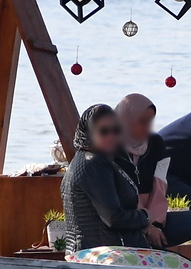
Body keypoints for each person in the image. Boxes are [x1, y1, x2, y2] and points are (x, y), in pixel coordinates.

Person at [114, 94, 191, 269]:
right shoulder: (111, 148)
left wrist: (156, 224)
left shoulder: (156, 144)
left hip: (154, 219)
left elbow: (159, 187)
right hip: (127, 224)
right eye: (141, 121)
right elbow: (117, 200)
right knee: (176, 264)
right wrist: (145, 226)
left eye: (150, 121)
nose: (147, 127)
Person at [61, 104, 162, 254]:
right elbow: (114, 218)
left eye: (116, 131)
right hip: (102, 257)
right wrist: (145, 216)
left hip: (96, 252)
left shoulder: (88, 159)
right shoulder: (93, 164)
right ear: (88, 132)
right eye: (104, 131)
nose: (111, 137)